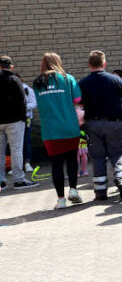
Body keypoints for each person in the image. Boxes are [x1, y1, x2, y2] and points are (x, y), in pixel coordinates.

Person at [78, 51, 122, 202]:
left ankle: (100, 192)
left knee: (97, 157)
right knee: (118, 153)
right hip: (115, 123)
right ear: (104, 64)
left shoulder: (83, 83)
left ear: (89, 64)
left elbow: (78, 104)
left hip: (93, 124)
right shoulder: (114, 80)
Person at [33, 53, 84, 207]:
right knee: (71, 160)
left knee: (56, 164)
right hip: (70, 127)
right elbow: (78, 99)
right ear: (58, 62)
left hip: (50, 131)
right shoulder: (68, 78)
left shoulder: (37, 82)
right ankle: (74, 190)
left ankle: (61, 200)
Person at [0, 56, 38, 190]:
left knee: (0, 152)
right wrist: (23, 118)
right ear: (11, 67)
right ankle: (18, 180)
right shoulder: (15, 80)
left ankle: (1, 181)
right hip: (15, 121)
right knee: (16, 151)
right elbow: (23, 101)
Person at [19, 75, 37, 173]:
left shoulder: (27, 89)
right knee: (17, 143)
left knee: (26, 140)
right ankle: (18, 165)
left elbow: (34, 103)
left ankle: (27, 163)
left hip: (27, 118)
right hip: (15, 119)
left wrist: (22, 107)